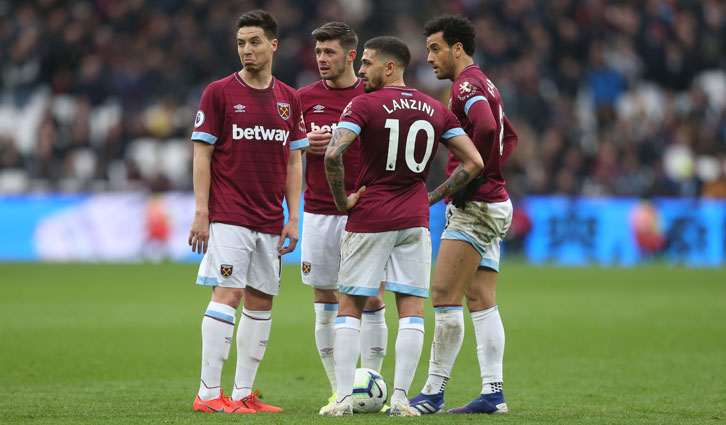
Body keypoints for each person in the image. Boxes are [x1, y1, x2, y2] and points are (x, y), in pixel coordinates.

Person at [320, 35, 484, 416]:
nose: (360, 70)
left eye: (367, 63)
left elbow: (332, 154)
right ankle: (399, 399)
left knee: (349, 303)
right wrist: (431, 196)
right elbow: (474, 162)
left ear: (389, 67)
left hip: (371, 215)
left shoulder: (362, 104)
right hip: (414, 217)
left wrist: (342, 200)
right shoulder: (434, 108)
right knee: (411, 307)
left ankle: (344, 398)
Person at [187, 9, 308, 414]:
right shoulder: (219, 92)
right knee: (230, 293)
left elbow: (294, 162)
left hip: (271, 219)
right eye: (241, 43)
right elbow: (201, 154)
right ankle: (207, 395)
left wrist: (294, 216)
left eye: (254, 41)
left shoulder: (290, 99)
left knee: (261, 300)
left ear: (273, 44)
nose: (246, 50)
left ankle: (242, 394)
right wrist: (202, 212)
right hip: (229, 215)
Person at [409, 14, 518, 415]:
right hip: (496, 201)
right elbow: (509, 132)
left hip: (477, 205)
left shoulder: (466, 85)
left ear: (457, 49)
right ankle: (493, 393)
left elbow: (488, 128)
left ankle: (433, 393)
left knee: (442, 295)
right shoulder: (485, 81)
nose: (430, 58)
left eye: (436, 49)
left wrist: (468, 176)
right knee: (480, 297)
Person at [297, 22, 388, 407]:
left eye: (329, 52)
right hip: (318, 210)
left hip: (364, 211)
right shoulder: (301, 98)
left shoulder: (373, 96)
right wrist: (303, 143)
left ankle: (374, 385)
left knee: (372, 299)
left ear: (352, 56)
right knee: (324, 298)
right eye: (318, 52)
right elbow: (282, 150)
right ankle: (340, 389)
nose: (321, 59)